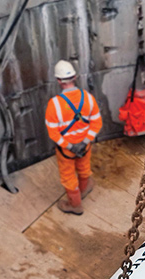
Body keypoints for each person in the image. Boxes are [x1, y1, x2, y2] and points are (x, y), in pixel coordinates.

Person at [45, 60, 102, 215]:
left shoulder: (54, 104)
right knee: (84, 167)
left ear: (58, 80)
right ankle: (84, 189)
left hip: (66, 150)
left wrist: (70, 146)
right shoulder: (88, 98)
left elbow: (53, 133)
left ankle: (75, 205)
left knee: (68, 176)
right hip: (85, 146)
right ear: (75, 77)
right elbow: (97, 122)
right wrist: (84, 142)